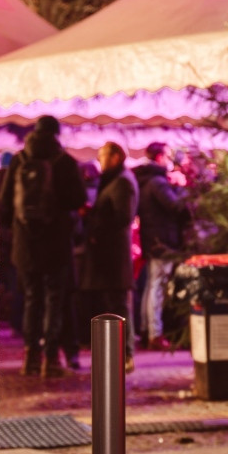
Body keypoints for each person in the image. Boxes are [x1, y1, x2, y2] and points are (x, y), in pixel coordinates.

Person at [0, 115, 87, 377]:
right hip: (56, 242)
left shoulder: (18, 160)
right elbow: (78, 199)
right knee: (54, 300)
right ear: (56, 134)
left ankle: (30, 358)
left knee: (31, 300)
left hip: (25, 244)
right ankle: (51, 359)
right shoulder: (64, 162)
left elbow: (4, 200)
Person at [79, 142, 138, 370]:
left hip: (114, 254)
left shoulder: (122, 181)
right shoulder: (114, 180)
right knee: (112, 304)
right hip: (107, 254)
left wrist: (95, 220)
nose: (99, 160)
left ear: (115, 157)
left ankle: (126, 355)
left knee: (119, 305)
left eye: (102, 155)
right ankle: (118, 354)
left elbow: (122, 217)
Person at [134, 141, 190, 350]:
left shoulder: (145, 180)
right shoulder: (157, 182)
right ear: (159, 157)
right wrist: (181, 189)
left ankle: (147, 329)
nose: (170, 160)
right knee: (157, 286)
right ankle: (155, 334)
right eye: (167, 155)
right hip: (162, 240)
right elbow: (174, 206)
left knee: (151, 285)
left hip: (152, 238)